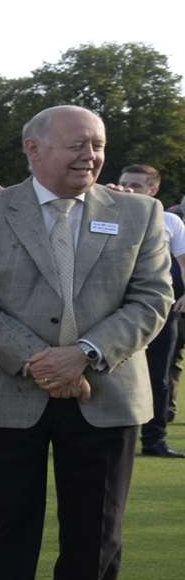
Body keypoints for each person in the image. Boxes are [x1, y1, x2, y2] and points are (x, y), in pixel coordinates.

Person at [0, 106, 171, 580]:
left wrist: (83, 355)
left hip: (106, 392)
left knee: (97, 525)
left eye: (96, 145)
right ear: (33, 148)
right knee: (0, 520)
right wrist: (38, 361)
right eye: (75, 145)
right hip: (1, 390)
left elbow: (152, 298)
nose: (89, 156)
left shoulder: (141, 213)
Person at [119, 164, 185, 457]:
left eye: (137, 185)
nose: (129, 189)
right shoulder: (107, 210)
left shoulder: (170, 221)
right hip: (117, 311)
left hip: (160, 310)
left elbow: (183, 261)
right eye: (125, 184)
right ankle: (115, 435)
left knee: (159, 376)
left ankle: (154, 440)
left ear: (153, 190)